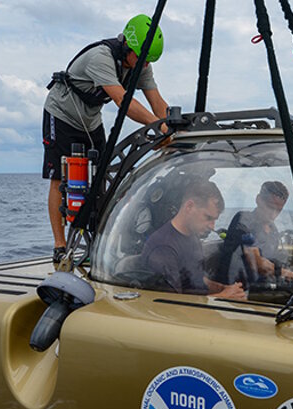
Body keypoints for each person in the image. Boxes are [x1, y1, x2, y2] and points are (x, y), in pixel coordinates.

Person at [42, 14, 169, 263]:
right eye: (142, 60)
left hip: (90, 120)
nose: (144, 66)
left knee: (103, 175)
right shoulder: (101, 57)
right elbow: (123, 102)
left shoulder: (141, 65)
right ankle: (59, 245)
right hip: (61, 114)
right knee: (59, 176)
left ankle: (98, 238)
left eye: (149, 62)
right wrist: (158, 127)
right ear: (127, 45)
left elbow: (157, 102)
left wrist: (175, 126)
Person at [141, 180, 246, 298]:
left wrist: (223, 288)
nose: (212, 226)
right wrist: (223, 296)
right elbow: (171, 305)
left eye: (215, 220)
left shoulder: (192, 236)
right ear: (189, 206)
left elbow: (197, 279)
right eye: (208, 217)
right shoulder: (163, 248)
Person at [216, 181, 293, 288]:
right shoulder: (243, 220)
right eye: (270, 207)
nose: (273, 214)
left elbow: (272, 260)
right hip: (238, 288)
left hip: (262, 285)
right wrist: (290, 274)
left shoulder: (273, 230)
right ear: (258, 200)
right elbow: (257, 262)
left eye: (278, 210)